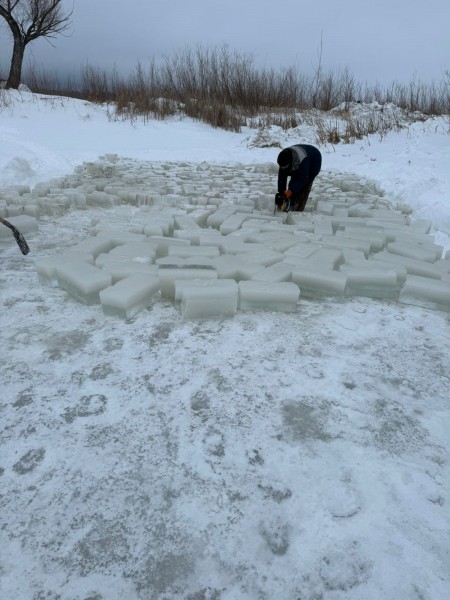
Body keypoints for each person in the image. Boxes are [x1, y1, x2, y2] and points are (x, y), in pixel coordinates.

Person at [275, 144, 322, 212]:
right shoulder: (284, 159)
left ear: (290, 162)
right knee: (292, 185)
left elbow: (302, 180)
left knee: (302, 187)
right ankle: (289, 203)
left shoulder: (303, 160)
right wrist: (281, 192)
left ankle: (297, 209)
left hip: (313, 160)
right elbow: (282, 178)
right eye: (282, 167)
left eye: (285, 167)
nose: (283, 168)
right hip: (299, 158)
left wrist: (290, 191)